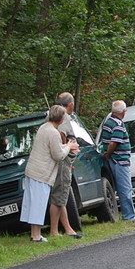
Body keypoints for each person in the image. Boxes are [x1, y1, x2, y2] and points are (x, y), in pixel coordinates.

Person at [20, 104, 79, 242]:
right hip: (41, 173)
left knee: (34, 204)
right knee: (38, 204)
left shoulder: (44, 127)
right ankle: (35, 236)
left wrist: (66, 146)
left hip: (33, 171)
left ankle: (36, 233)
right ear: (61, 118)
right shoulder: (53, 132)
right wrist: (69, 146)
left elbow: (54, 148)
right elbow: (58, 155)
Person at [49, 92, 82, 239]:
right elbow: (61, 135)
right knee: (60, 195)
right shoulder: (63, 117)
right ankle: (54, 231)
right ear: (71, 104)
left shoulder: (51, 114)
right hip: (62, 161)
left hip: (59, 160)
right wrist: (70, 146)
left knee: (62, 195)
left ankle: (68, 228)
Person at [101, 100, 135, 221]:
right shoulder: (117, 124)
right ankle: (129, 217)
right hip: (119, 161)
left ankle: (126, 215)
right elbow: (114, 143)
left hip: (114, 159)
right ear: (123, 111)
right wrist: (108, 154)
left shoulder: (108, 122)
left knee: (119, 189)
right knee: (125, 190)